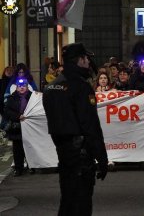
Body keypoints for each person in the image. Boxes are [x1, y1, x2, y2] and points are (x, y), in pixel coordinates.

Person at [43, 43, 108, 215]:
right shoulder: (81, 87)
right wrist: (102, 158)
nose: (88, 62)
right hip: (81, 155)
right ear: (79, 60)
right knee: (81, 204)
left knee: (67, 201)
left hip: (63, 154)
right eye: (86, 58)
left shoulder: (50, 88)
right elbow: (90, 125)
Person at [3, 78, 32, 176]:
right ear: (16, 87)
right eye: (20, 86)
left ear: (27, 87)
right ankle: (18, 168)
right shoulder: (12, 98)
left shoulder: (33, 97)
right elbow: (7, 111)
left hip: (30, 127)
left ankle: (31, 166)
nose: (22, 88)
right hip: (17, 127)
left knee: (30, 148)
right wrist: (17, 116)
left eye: (24, 86)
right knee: (17, 149)